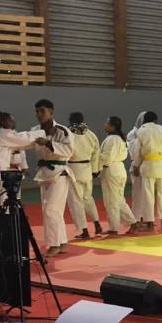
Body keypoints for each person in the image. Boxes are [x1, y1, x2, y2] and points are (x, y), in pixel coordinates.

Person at [31, 99, 74, 256]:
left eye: (42, 111)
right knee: (51, 210)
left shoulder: (62, 130)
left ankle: (54, 245)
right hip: (44, 172)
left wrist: (49, 143)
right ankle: (62, 242)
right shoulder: (35, 130)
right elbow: (25, 142)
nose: (39, 114)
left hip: (59, 172)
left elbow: (69, 151)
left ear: (51, 112)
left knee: (51, 209)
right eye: (37, 111)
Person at [98, 116, 139, 236]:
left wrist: (95, 157)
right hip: (119, 169)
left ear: (113, 126)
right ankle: (132, 223)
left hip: (111, 170)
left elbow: (107, 158)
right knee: (118, 199)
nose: (105, 125)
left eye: (107, 123)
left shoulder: (112, 139)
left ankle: (114, 228)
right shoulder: (121, 138)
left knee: (111, 201)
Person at [66, 112, 103, 240]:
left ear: (71, 121)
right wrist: (95, 170)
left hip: (73, 169)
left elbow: (64, 152)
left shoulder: (69, 134)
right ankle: (97, 223)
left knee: (76, 201)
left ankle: (84, 230)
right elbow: (96, 153)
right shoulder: (91, 134)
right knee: (88, 198)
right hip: (87, 169)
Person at [130, 111, 162, 231]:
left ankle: (150, 223)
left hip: (148, 164)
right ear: (155, 120)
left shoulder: (142, 131)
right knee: (161, 193)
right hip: (161, 163)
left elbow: (138, 151)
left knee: (148, 194)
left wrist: (136, 166)